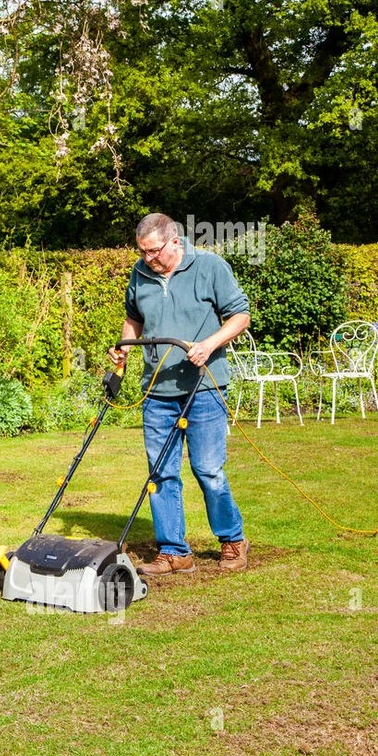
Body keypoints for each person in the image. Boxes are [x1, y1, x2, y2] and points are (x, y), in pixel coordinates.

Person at [108, 213, 251, 574]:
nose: (148, 259)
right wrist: (125, 346)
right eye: (142, 252)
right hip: (157, 391)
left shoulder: (209, 266)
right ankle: (174, 551)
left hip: (204, 386)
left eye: (154, 251)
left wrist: (209, 344)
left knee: (207, 469)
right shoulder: (139, 274)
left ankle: (233, 540)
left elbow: (240, 316)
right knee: (161, 473)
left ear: (175, 241)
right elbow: (134, 318)